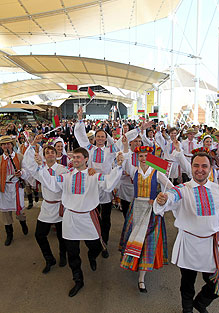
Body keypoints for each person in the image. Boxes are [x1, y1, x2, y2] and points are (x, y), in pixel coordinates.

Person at [34, 147, 124, 297]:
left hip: (88, 218)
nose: (75, 160)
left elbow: (108, 183)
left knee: (96, 247)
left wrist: (119, 166)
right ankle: (78, 280)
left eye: (78, 157)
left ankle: (91, 256)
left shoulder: (94, 176)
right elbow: (50, 182)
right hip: (70, 218)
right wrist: (41, 166)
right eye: (73, 157)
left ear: (86, 159)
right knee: (72, 252)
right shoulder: (66, 176)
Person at [153, 152, 219, 313]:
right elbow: (169, 198)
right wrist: (162, 200)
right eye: (196, 165)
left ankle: (200, 303)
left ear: (211, 169)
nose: (200, 169)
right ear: (191, 167)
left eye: (204, 166)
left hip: (212, 244)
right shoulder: (182, 189)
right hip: (189, 243)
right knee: (187, 282)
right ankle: (187, 309)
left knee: (216, 283)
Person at [74, 106, 143, 258]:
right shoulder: (88, 148)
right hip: (91, 186)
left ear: (105, 139)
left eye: (102, 136)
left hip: (105, 187)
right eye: (97, 136)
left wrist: (138, 129)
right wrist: (80, 119)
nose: (99, 138)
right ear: (94, 138)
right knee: (92, 215)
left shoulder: (110, 150)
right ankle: (93, 240)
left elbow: (124, 140)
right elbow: (80, 135)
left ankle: (104, 243)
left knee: (106, 218)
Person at [120, 139, 172, 293]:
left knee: (147, 240)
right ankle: (134, 263)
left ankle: (141, 277)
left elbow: (171, 188)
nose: (143, 158)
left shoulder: (157, 172)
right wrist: (124, 145)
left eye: (146, 156)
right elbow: (125, 158)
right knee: (134, 237)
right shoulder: (134, 170)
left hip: (151, 210)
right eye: (141, 156)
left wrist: (158, 198)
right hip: (136, 207)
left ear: (151, 157)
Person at [23, 136, 68, 273]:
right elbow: (27, 164)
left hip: (60, 207)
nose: (50, 154)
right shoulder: (39, 170)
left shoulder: (63, 169)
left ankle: (62, 255)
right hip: (47, 207)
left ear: (56, 154)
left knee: (62, 236)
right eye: (47, 153)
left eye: (52, 152)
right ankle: (49, 259)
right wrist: (32, 144)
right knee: (39, 235)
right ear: (43, 156)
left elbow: (57, 185)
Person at [0, 136, 30, 245]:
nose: (6, 146)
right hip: (5, 188)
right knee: (6, 213)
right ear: (1, 146)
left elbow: (26, 170)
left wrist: (21, 173)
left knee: (19, 210)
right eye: (4, 144)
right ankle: (9, 234)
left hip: (17, 187)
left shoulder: (20, 157)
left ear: (12, 145)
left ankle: (23, 223)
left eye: (8, 144)